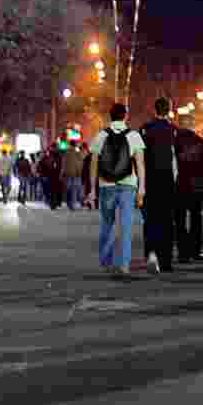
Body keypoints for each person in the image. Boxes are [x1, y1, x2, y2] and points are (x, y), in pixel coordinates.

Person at [87, 103, 146, 277]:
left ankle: (106, 262)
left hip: (106, 185)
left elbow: (93, 164)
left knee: (108, 223)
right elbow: (140, 164)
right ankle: (124, 265)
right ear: (125, 116)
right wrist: (142, 188)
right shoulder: (134, 136)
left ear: (110, 116)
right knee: (126, 225)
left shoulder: (101, 135)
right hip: (128, 185)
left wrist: (92, 189)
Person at [140, 97, 177, 274]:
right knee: (167, 220)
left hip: (149, 180)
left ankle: (151, 255)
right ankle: (166, 260)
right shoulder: (173, 130)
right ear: (168, 110)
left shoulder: (145, 130)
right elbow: (176, 159)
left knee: (150, 220)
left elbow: (138, 158)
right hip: (167, 180)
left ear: (154, 109)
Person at [175, 113, 203, 263]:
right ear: (192, 124)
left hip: (178, 184)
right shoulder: (199, 141)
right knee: (196, 218)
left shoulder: (174, 141)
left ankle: (183, 253)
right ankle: (196, 251)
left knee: (179, 220)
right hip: (196, 185)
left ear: (179, 124)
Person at [61, 141, 85, 211]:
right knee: (74, 190)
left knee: (69, 189)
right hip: (76, 174)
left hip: (68, 174)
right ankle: (73, 204)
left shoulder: (66, 153)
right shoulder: (77, 153)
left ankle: (70, 204)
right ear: (75, 145)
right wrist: (79, 171)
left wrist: (62, 173)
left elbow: (63, 164)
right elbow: (80, 163)